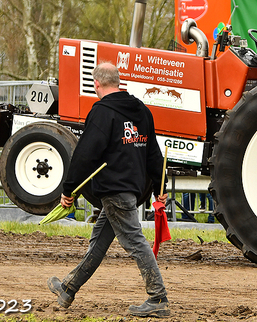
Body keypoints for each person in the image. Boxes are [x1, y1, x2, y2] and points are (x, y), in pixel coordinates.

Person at [47, 62, 170, 318]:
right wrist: (161, 186)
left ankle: (158, 297)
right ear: (118, 81)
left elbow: (85, 154)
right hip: (131, 191)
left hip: (114, 189)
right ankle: (68, 289)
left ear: (97, 85)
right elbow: (154, 154)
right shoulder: (142, 111)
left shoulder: (102, 112)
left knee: (135, 242)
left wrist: (69, 189)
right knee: (99, 242)